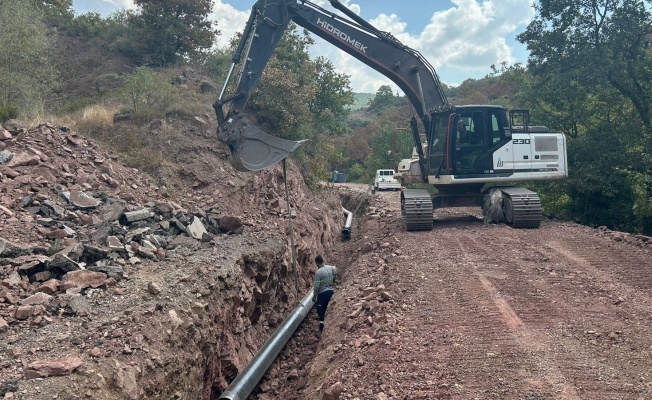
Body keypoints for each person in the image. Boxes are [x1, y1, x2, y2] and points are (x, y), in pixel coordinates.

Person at [312, 255, 337, 337]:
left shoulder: (318, 272)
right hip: (331, 291)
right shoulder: (330, 268)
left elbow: (316, 286)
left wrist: (315, 295)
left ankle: (321, 330)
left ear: (316, 263)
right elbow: (335, 270)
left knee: (321, 310)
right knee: (328, 309)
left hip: (322, 294)